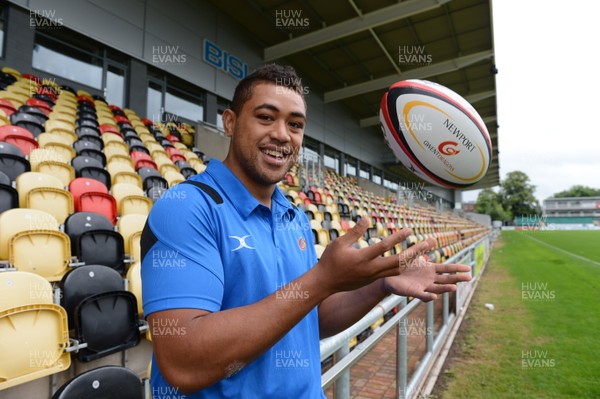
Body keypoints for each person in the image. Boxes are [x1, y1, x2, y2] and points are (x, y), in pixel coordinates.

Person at [140, 64, 471, 399]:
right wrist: (322, 280)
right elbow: (184, 361)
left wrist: (380, 285)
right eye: (266, 117)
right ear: (230, 122)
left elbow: (312, 317)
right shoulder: (186, 207)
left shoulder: (294, 216)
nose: (283, 135)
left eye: (295, 124)